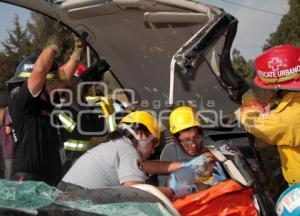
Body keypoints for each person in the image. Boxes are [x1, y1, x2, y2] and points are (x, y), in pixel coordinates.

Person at [58, 110, 213, 199]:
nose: (153, 151)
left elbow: (147, 166)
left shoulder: (117, 146)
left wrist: (187, 166)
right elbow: (137, 193)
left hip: (69, 196)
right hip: (77, 202)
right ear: (141, 135)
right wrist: (174, 191)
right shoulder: (127, 151)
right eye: (154, 144)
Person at [6, 33, 85, 185]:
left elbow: (64, 79)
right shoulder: (22, 103)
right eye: (52, 81)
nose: (58, 85)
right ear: (40, 83)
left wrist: (77, 54)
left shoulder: (47, 101)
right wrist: (53, 45)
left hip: (50, 178)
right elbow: (40, 70)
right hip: (29, 180)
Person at [240, 44, 300, 186]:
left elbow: (254, 124)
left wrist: (249, 104)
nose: (270, 93)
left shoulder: (288, 118)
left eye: (270, 89)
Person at [158, 106, 226, 189]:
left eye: (196, 138)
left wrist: (212, 156)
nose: (193, 145)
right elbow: (164, 186)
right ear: (176, 140)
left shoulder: (211, 144)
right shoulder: (170, 152)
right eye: (186, 140)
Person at [0, 107, 14, 179]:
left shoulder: (2, 112)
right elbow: (8, 130)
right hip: (9, 147)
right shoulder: (8, 111)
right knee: (9, 174)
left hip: (4, 147)